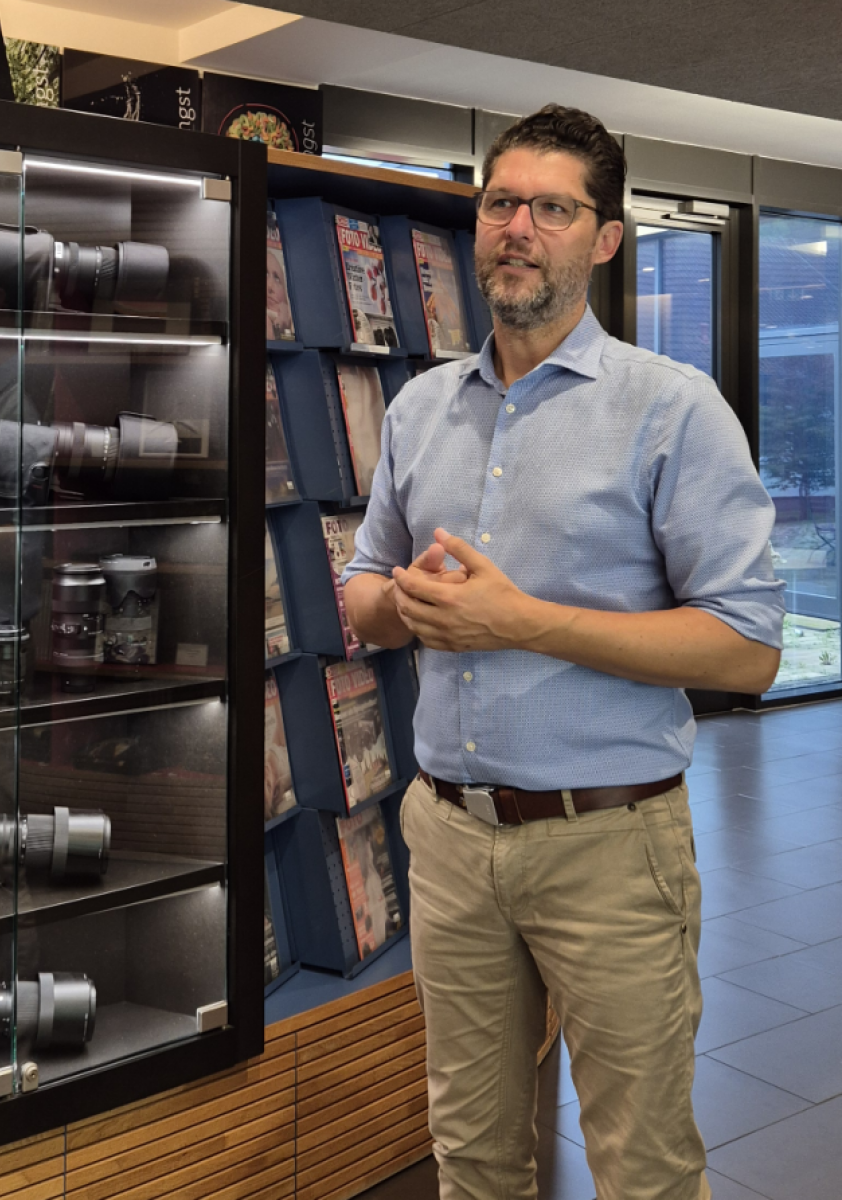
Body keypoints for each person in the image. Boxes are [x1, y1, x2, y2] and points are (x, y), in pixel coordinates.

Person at [341, 104, 785, 1200]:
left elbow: (745, 649)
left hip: (610, 846)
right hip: (447, 838)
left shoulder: (671, 411)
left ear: (603, 239)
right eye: (500, 203)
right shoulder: (419, 409)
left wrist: (514, 619)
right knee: (473, 1151)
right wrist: (405, 607)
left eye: (552, 207)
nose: (517, 227)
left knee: (640, 1163)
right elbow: (360, 590)